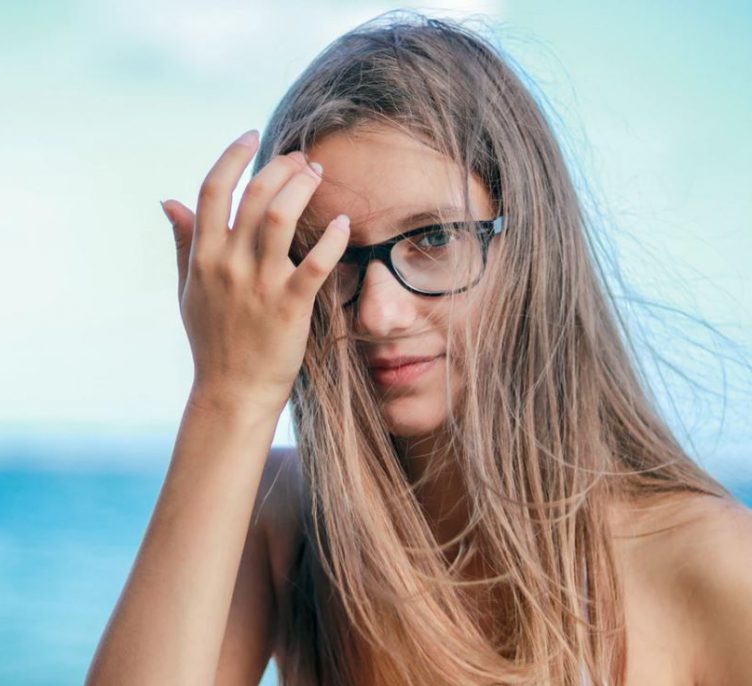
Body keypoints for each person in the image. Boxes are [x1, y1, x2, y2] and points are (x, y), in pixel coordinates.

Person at [86, 11, 752, 686]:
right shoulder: (287, 522)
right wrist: (230, 396)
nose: (379, 311)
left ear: (531, 250)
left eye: (433, 239)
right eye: (329, 257)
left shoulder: (715, 565)